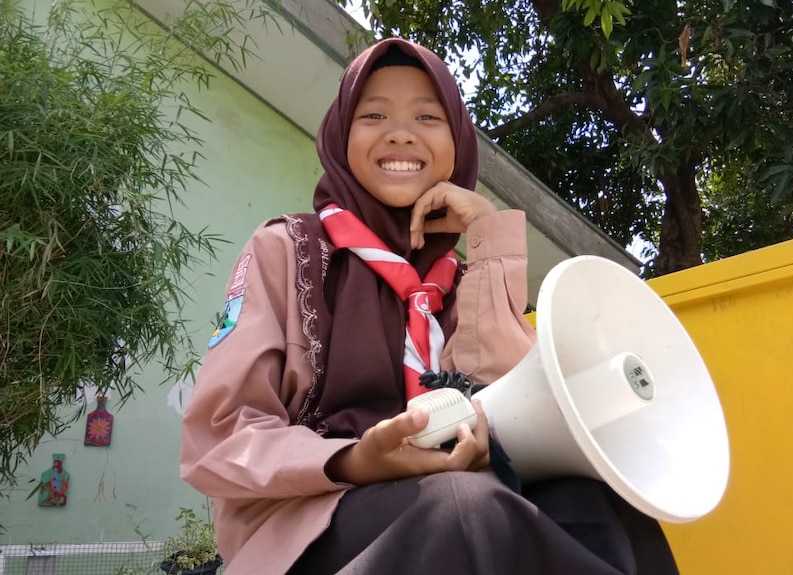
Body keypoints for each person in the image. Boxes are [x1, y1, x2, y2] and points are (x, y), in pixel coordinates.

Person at [180, 37, 680, 575]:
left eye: (428, 115)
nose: (400, 132)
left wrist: (490, 238)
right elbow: (221, 433)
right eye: (373, 114)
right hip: (313, 517)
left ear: (458, 144)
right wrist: (355, 459)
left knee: (603, 508)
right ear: (339, 136)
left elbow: (511, 401)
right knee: (462, 510)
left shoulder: (461, 282)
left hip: (455, 493)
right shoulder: (285, 249)